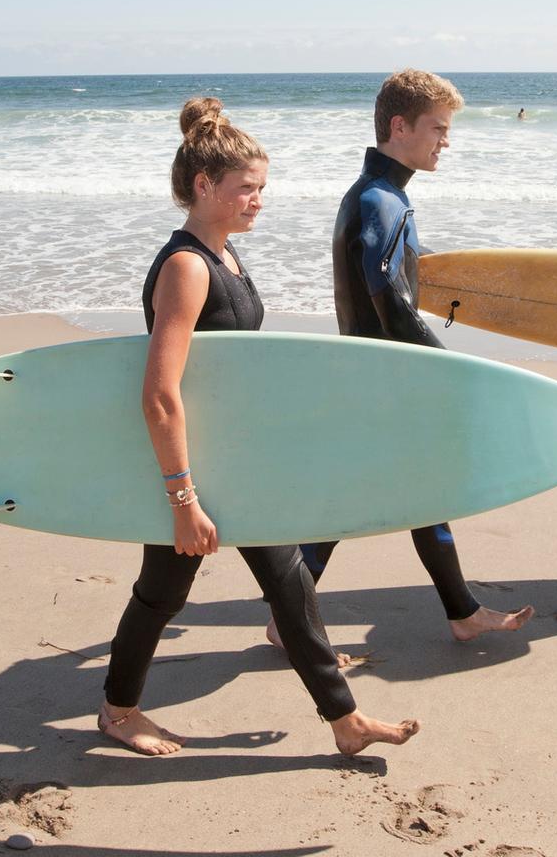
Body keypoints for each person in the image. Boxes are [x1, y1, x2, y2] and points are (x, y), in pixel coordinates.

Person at [98, 97, 420, 756]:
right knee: (161, 595)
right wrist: (184, 499)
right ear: (203, 186)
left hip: (237, 463)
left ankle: (345, 721)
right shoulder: (187, 267)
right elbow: (160, 394)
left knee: (290, 584)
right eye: (247, 189)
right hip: (195, 469)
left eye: (262, 189)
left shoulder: (225, 259)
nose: (258, 201)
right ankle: (119, 711)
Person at [289, 70, 534, 643]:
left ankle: (460, 611)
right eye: (437, 128)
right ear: (399, 127)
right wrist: (450, 369)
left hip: (373, 377)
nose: (445, 141)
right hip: (388, 381)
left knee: (386, 495)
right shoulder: (381, 201)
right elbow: (391, 302)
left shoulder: (371, 195)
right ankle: (457, 611)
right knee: (382, 495)